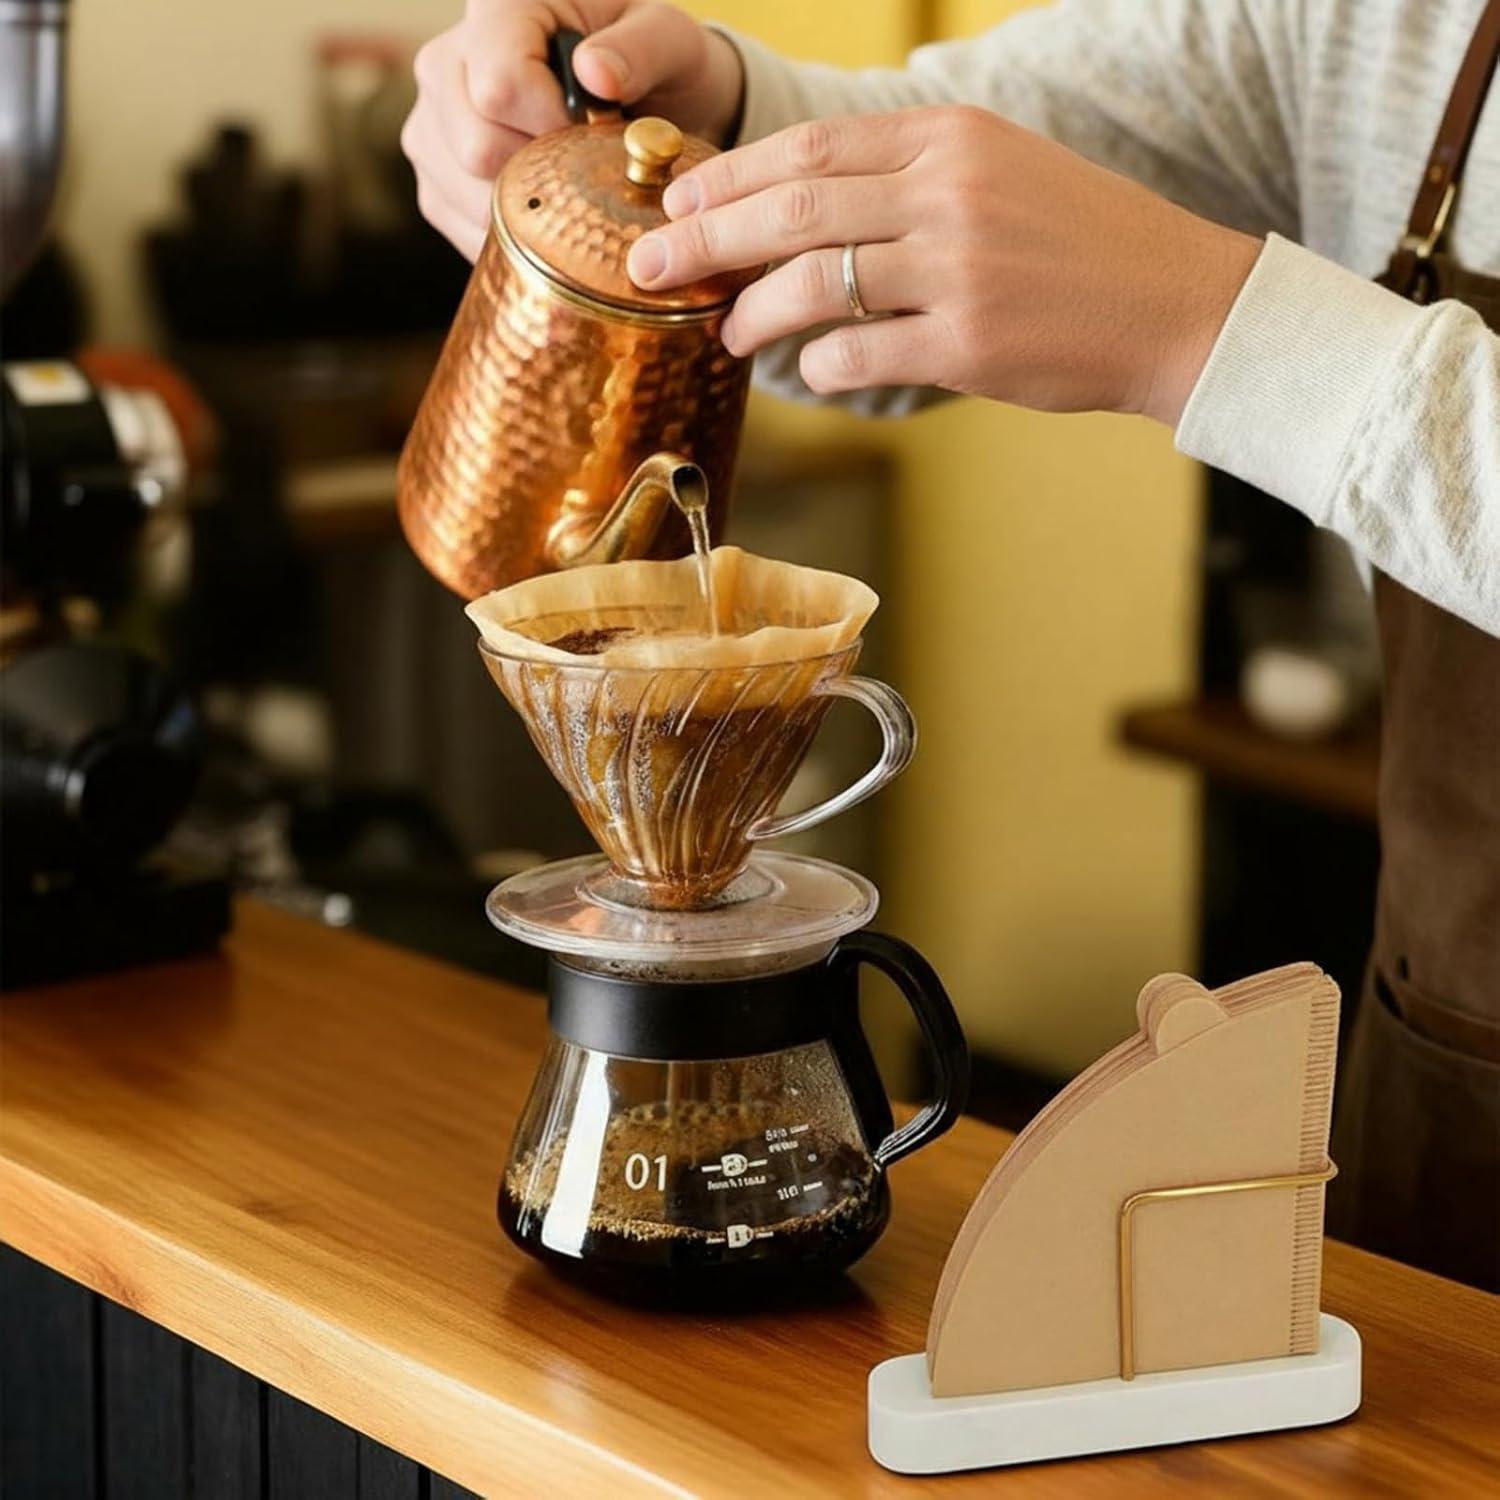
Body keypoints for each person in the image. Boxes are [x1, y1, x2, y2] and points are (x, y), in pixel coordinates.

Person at [403, 0, 1500, 1292]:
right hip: (1458, 1064)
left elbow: (1135, 282)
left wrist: (1211, 326)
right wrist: (718, 137)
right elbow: (963, 202)